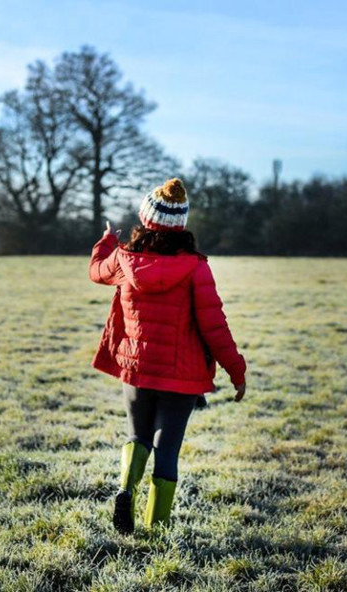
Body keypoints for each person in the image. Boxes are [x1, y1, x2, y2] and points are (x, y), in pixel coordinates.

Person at [88, 177, 248, 535]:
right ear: (181, 224)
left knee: (138, 436)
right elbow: (215, 327)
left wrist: (107, 241)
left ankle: (126, 488)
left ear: (146, 219)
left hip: (137, 367)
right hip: (181, 375)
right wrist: (236, 371)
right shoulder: (196, 267)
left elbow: (96, 272)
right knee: (167, 449)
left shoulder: (123, 258)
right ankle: (157, 531)